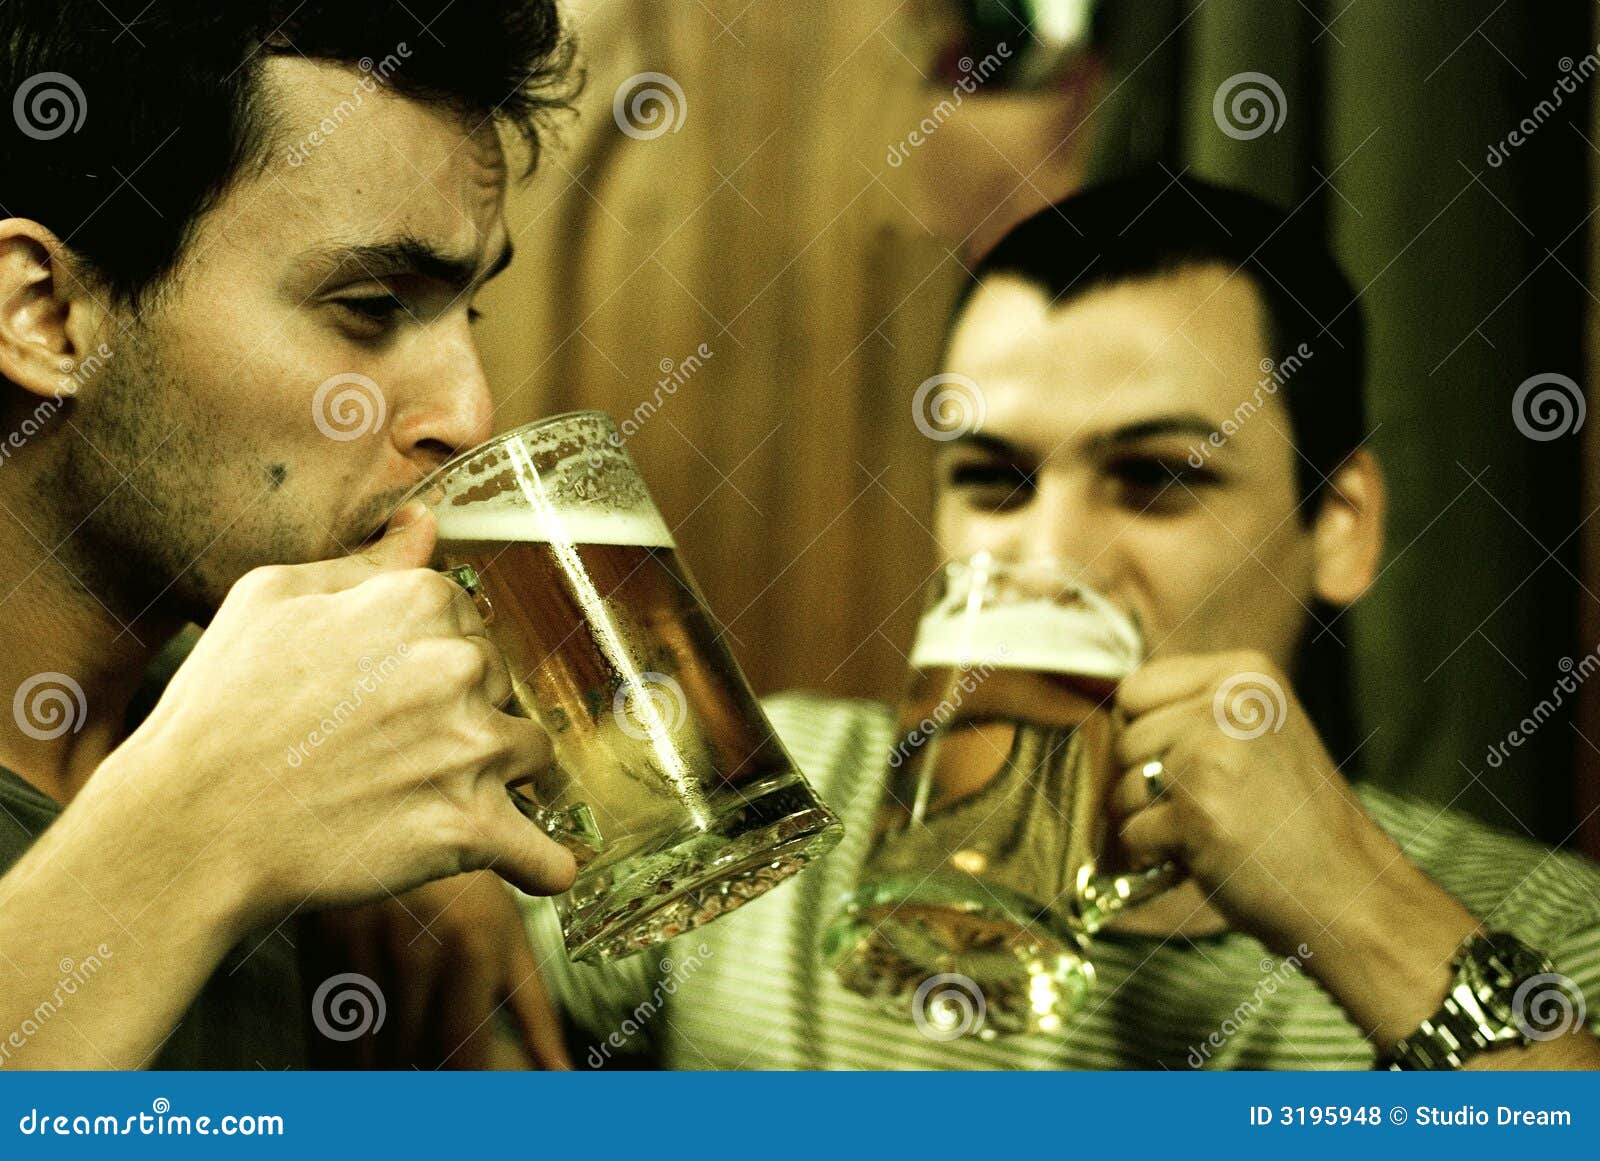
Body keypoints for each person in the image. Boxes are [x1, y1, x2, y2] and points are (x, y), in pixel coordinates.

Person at [526, 172, 1600, 1070]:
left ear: (1341, 527)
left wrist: (1356, 909)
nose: (1046, 558)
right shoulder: (758, 797)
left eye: (1156, 478)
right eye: (994, 480)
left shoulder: (1550, 937)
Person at [0, 1, 583, 1069]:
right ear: (46, 313)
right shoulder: (228, 790)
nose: (469, 411)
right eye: (367, 305)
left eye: (468, 312)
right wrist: (198, 834)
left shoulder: (286, 759)